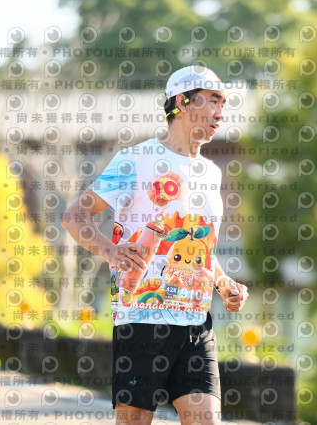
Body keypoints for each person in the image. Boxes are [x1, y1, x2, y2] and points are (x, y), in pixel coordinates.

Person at [62, 65, 249, 425]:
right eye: (212, 100)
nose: (220, 112)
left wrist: (223, 282)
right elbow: (74, 216)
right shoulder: (135, 160)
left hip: (196, 322)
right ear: (182, 102)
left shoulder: (212, 173)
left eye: (223, 103)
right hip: (142, 318)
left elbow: (200, 247)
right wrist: (110, 250)